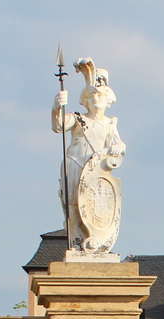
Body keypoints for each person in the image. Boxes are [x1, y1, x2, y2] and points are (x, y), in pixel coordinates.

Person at [52, 58, 126, 253]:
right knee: (74, 205)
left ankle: (97, 243)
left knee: (95, 206)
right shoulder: (78, 119)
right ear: (85, 100)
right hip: (75, 163)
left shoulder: (110, 124)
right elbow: (58, 125)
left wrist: (119, 146)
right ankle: (76, 244)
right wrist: (57, 107)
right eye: (92, 97)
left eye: (100, 97)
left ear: (108, 100)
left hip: (97, 171)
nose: (95, 100)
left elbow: (118, 143)